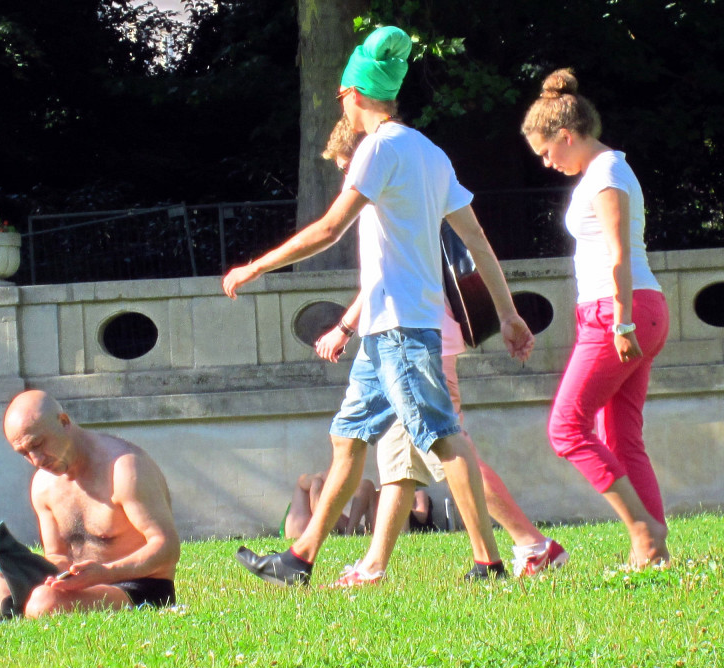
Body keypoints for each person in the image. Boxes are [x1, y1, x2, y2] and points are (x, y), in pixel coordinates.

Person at [222, 25, 535, 586]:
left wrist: (257, 266)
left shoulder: (378, 149)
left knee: (443, 436)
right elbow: (477, 240)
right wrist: (508, 313)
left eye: (341, 94)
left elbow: (329, 228)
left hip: (402, 328)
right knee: (348, 437)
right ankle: (298, 560)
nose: (340, 102)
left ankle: (488, 563)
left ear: (355, 93)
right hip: (385, 329)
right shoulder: (428, 152)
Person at [313, 120, 567, 587]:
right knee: (401, 462)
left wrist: (344, 327)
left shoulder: (386, 193)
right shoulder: (410, 184)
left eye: (348, 166)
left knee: (448, 448)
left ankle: (533, 544)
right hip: (411, 336)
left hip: (417, 340)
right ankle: (373, 566)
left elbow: (387, 277)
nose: (348, 177)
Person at [521, 69, 671, 569]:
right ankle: (653, 550)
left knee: (567, 427)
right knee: (621, 437)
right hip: (627, 309)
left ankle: (642, 531)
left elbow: (618, 254)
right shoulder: (605, 172)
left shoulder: (606, 174)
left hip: (619, 310)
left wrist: (622, 323)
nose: (547, 162)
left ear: (567, 135)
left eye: (547, 151)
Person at [0, 390, 180, 617]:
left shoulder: (125, 469)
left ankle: (19, 612)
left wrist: (106, 572)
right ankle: (7, 617)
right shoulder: (43, 484)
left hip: (137, 587)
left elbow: (167, 547)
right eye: (24, 453)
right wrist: (49, 573)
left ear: (64, 422)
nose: (36, 460)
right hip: (78, 587)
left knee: (44, 601)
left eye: (38, 444)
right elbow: (57, 556)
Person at [285, 471, 378, 541]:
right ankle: (350, 534)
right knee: (366, 486)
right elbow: (316, 482)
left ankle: (351, 534)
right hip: (308, 529)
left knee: (366, 485)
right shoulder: (308, 481)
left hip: (326, 526)